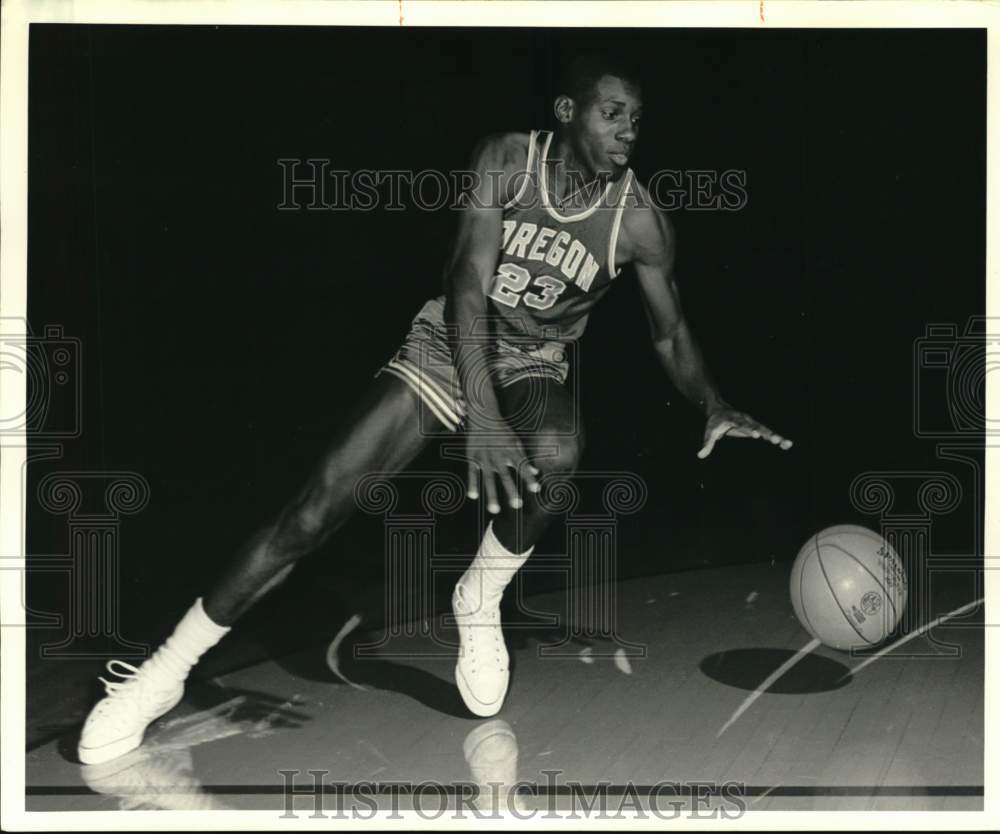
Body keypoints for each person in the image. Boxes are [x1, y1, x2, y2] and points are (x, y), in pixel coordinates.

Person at [77, 54, 793, 765]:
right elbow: (467, 283)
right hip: (448, 342)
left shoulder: (639, 220)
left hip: (532, 361)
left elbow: (670, 333)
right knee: (313, 513)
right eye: (613, 114)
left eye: (636, 118)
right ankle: (159, 678)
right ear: (567, 112)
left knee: (559, 453)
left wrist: (712, 401)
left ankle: (479, 596)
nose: (629, 130)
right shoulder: (506, 159)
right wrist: (481, 415)